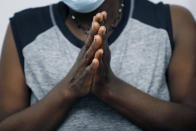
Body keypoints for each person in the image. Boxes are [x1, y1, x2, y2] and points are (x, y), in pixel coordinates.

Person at [0, 0, 196, 130]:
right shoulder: (23, 29)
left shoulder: (172, 22)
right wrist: (69, 90)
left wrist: (110, 88)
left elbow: (190, 120)